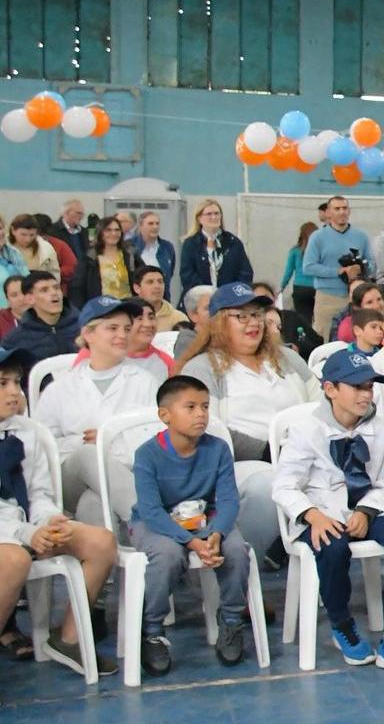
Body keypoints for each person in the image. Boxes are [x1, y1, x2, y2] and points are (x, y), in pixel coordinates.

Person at [272, 348, 384, 674]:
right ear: (330, 390)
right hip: (321, 512)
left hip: (365, 509)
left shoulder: (381, 430)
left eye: (369, 387)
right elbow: (284, 486)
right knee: (332, 545)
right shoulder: (306, 430)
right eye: (357, 387)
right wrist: (313, 515)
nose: (365, 394)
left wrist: (366, 511)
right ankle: (341, 623)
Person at [0, 347, 118, 676]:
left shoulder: (26, 431)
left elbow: (38, 491)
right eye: (2, 384)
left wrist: (51, 520)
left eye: (16, 383)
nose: (14, 392)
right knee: (14, 559)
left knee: (101, 542)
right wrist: (27, 534)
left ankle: (68, 638)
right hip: (9, 535)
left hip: (26, 526)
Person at [128, 375, 255, 676]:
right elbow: (150, 510)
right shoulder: (147, 454)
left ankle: (232, 620)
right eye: (191, 407)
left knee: (236, 550)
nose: (201, 414)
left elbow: (228, 501)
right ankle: (153, 630)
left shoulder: (218, 449)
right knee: (167, 555)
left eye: (205, 406)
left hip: (206, 519)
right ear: (165, 415)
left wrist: (216, 533)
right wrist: (191, 542)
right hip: (157, 522)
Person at [173, 282, 308, 553]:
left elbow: (323, 406)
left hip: (304, 455)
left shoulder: (288, 359)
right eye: (241, 316)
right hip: (240, 463)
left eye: (257, 315)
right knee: (268, 485)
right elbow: (205, 429)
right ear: (219, 323)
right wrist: (269, 451)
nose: (252, 323)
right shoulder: (201, 368)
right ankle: (241, 567)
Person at [38, 297, 157, 524]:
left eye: (126, 329)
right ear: (88, 334)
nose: (122, 335)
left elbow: (155, 438)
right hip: (72, 480)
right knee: (87, 454)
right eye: (112, 328)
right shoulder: (59, 388)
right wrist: (83, 444)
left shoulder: (146, 382)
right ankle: (152, 520)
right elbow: (45, 446)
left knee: (92, 504)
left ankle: (117, 554)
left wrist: (107, 440)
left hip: (130, 473)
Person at [303, 196, 374, 338]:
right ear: (328, 212)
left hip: (357, 298)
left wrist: (361, 268)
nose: (342, 212)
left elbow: (372, 264)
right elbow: (308, 267)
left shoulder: (361, 236)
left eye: (344, 208)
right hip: (328, 298)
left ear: (349, 211)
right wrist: (338, 271)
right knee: (323, 338)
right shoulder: (318, 237)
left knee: (359, 337)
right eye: (337, 209)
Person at [178, 200, 252, 298]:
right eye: (209, 214)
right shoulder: (191, 244)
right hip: (200, 301)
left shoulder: (233, 242)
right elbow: (187, 275)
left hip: (229, 300)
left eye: (217, 213)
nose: (214, 217)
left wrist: (232, 294)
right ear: (199, 218)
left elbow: (245, 273)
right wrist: (208, 293)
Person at [3, 270, 79, 365]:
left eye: (56, 288)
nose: (54, 293)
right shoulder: (15, 340)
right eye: (44, 290)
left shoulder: (85, 327)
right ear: (29, 299)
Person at [81, 217, 132, 301]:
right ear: (100, 233)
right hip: (102, 307)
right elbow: (78, 287)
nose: (113, 233)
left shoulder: (130, 254)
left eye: (117, 230)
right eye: (108, 230)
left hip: (128, 305)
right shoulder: (90, 257)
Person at [50, 200, 90, 305]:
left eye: (82, 214)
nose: (81, 216)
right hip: (65, 281)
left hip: (83, 278)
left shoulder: (84, 232)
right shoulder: (53, 231)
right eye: (78, 213)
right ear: (66, 213)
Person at [128, 211, 177, 289]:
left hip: (162, 296)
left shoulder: (167, 247)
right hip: (137, 297)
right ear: (140, 226)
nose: (155, 227)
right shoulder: (130, 246)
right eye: (150, 223)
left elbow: (169, 273)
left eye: (157, 223)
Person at [280, 220, 317, 321]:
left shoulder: (295, 251)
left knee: (303, 319)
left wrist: (281, 287)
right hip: (317, 288)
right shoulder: (319, 252)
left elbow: (288, 272)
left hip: (300, 288)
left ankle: (304, 336)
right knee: (318, 319)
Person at [132, 265, 186, 332]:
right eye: (150, 282)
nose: (157, 286)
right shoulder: (127, 316)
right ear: (137, 288)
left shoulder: (178, 318)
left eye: (160, 282)